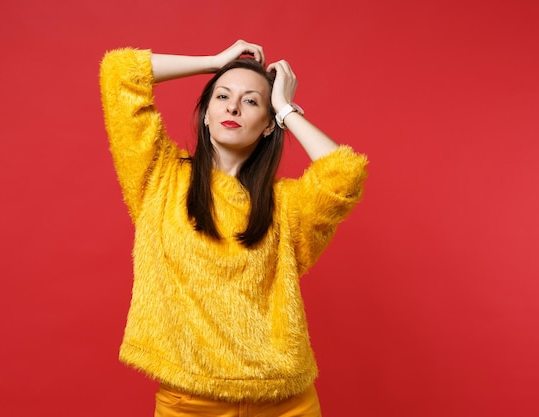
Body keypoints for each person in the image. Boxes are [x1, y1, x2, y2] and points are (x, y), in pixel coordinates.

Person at [100, 40, 368, 417]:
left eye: (252, 102)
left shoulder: (287, 207)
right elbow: (120, 73)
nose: (233, 107)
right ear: (206, 114)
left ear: (266, 127)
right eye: (222, 96)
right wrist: (213, 62)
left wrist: (285, 108)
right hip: (190, 403)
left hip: (284, 403)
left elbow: (346, 174)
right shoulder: (159, 178)